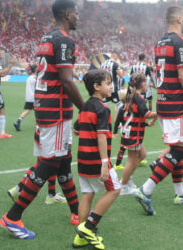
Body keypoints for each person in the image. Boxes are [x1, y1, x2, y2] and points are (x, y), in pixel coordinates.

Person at [0, 0, 83, 239]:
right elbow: (67, 80)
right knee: (49, 163)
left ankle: (76, 212)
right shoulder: (64, 39)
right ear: (67, 14)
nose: (78, 17)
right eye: (76, 13)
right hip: (56, 110)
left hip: (46, 107)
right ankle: (12, 217)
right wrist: (86, 108)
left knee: (64, 161)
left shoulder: (47, 37)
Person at [134, 5, 183, 216]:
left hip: (163, 101)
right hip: (176, 103)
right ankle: (146, 190)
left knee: (176, 149)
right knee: (179, 150)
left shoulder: (160, 42)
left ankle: (180, 193)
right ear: (179, 19)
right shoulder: (180, 42)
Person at [73, 69, 121, 249]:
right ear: (96, 86)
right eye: (108, 83)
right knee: (115, 189)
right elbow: (101, 136)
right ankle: (89, 227)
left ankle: (81, 236)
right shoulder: (103, 108)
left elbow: (77, 130)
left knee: (87, 193)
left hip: (82, 159)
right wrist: (104, 163)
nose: (111, 86)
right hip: (96, 160)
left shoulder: (85, 106)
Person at [116, 73, 157, 196]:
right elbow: (146, 114)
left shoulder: (133, 96)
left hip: (132, 131)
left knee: (142, 154)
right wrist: (160, 112)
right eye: (146, 82)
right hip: (133, 133)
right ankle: (123, 185)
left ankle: (127, 179)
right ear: (142, 83)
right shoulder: (138, 97)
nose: (148, 84)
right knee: (132, 160)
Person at [13, 64, 37, 131]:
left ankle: (18, 122)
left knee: (27, 110)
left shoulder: (29, 78)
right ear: (35, 70)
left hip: (28, 97)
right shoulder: (35, 78)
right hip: (34, 97)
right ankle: (38, 125)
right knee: (38, 111)